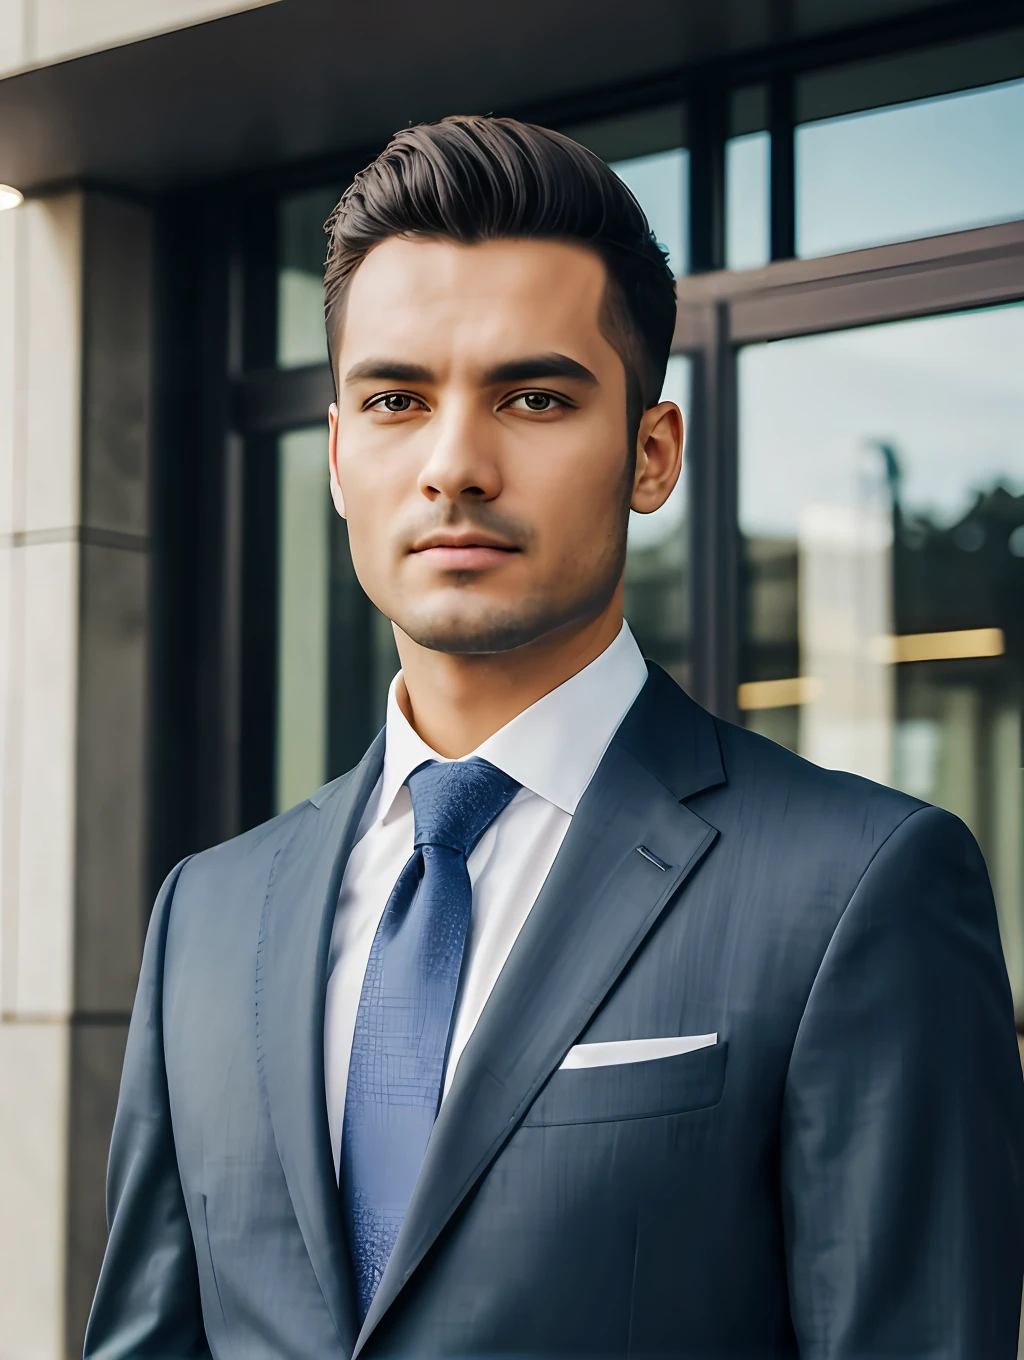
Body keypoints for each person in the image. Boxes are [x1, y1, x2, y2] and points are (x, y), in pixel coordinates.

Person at [85, 115, 1024, 1359]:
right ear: (335, 457)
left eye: (532, 396)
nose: (454, 465)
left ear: (650, 453)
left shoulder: (859, 885)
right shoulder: (204, 915)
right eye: (395, 399)